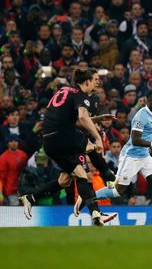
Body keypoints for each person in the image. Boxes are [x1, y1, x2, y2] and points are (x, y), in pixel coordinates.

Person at [19, 69, 115, 226]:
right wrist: (98, 137)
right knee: (90, 148)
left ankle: (31, 198)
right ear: (86, 81)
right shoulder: (80, 94)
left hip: (50, 140)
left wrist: (97, 119)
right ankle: (111, 178)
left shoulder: (66, 91)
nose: (97, 82)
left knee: (68, 179)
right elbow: (82, 118)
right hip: (64, 136)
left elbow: (77, 119)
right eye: (95, 79)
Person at [95, 89, 152, 225]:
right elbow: (136, 139)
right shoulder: (140, 116)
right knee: (118, 190)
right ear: (149, 101)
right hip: (131, 156)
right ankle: (87, 196)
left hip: (144, 155)